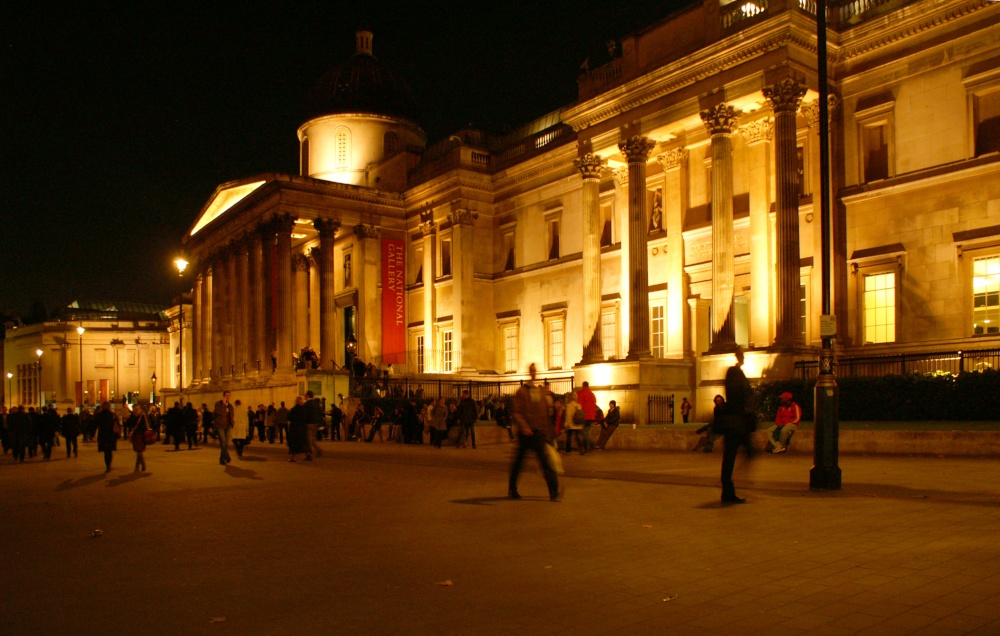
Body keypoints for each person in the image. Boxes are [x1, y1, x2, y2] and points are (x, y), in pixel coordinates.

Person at [508, 363, 560, 502]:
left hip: (538, 433)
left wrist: (547, 432)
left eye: (535, 371)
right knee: (519, 463)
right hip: (526, 434)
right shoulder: (522, 391)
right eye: (532, 371)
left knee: (545, 463)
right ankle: (512, 489)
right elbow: (517, 412)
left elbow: (545, 414)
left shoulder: (540, 392)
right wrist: (524, 426)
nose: (534, 373)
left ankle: (554, 491)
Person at [721, 347, 756, 504]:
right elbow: (740, 396)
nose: (743, 357)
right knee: (731, 457)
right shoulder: (734, 373)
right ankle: (729, 490)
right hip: (737, 423)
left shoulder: (736, 372)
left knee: (732, 457)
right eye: (741, 354)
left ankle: (729, 489)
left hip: (737, 423)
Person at [94, 401, 118, 473]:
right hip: (111, 435)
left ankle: (107, 465)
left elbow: (95, 424)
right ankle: (109, 464)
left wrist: (92, 434)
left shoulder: (99, 415)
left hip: (103, 435)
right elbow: (117, 425)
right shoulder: (112, 415)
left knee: (105, 452)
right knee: (109, 451)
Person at [213, 391, 235, 465]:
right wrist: (223, 404)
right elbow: (219, 413)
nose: (227, 397)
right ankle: (224, 458)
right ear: (223, 396)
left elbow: (232, 415)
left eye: (229, 395)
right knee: (223, 442)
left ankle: (224, 457)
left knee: (227, 443)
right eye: (226, 395)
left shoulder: (230, 406)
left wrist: (232, 423)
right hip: (220, 425)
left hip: (228, 425)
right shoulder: (218, 404)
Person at [287, 396, 311, 462]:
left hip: (295, 428)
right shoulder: (304, 409)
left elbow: (289, 417)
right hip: (302, 428)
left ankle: (293, 457)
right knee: (304, 442)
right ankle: (308, 455)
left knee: (294, 443)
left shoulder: (294, 409)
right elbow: (307, 418)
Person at [577, 381, 597, 454]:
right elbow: (594, 404)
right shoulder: (592, 394)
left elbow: (580, 405)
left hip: (584, 416)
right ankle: (586, 447)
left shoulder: (581, 393)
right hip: (591, 416)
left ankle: (589, 444)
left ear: (583, 386)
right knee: (586, 431)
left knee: (582, 431)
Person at [304, 391, 324, 456]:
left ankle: (309, 453)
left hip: (309, 423)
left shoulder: (307, 404)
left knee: (309, 439)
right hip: (316, 423)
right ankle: (317, 450)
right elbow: (320, 413)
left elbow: (305, 414)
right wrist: (320, 423)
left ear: (308, 396)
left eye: (305, 395)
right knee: (312, 438)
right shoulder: (316, 403)